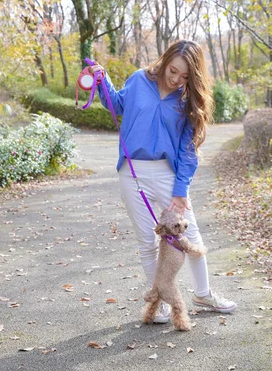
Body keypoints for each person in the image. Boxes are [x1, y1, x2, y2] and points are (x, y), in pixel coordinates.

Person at [89, 39, 237, 324]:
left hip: (168, 173)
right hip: (133, 173)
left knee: (189, 236)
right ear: (165, 59)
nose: (176, 79)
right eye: (173, 71)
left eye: (185, 77)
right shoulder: (138, 80)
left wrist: (181, 190)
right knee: (147, 240)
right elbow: (116, 104)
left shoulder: (185, 99)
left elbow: (187, 149)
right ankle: (163, 300)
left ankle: (203, 293)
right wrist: (101, 80)